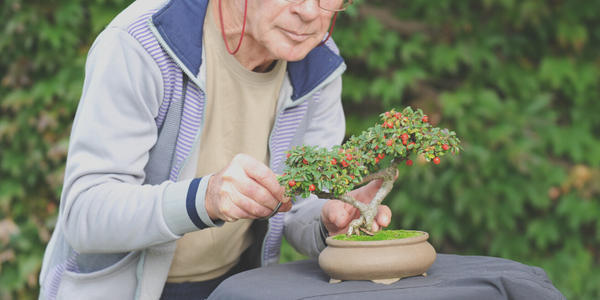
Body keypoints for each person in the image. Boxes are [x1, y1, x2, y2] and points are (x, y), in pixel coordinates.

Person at [38, 0, 392, 299]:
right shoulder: (141, 42)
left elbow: (300, 206)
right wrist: (203, 198)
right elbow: (85, 214)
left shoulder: (320, 65)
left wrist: (330, 220)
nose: (310, 12)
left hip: (233, 285)